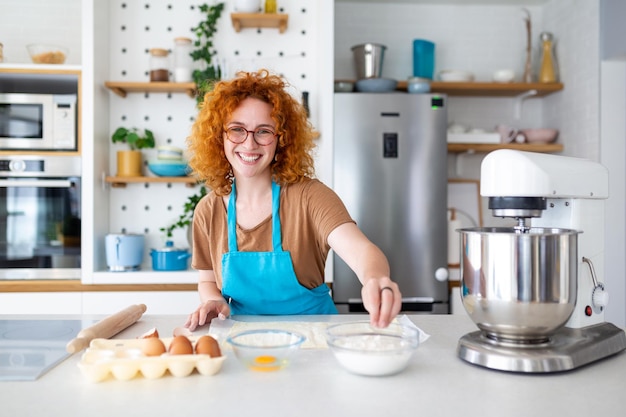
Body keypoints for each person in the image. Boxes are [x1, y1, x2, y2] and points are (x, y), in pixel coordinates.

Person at [183, 69, 401, 331]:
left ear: (281, 140)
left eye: (263, 131)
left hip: (315, 339)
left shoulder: (310, 197)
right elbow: (207, 279)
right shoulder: (208, 210)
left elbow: (360, 250)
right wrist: (214, 301)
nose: (249, 144)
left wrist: (376, 279)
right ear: (219, 137)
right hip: (243, 339)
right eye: (237, 129)